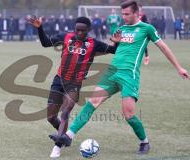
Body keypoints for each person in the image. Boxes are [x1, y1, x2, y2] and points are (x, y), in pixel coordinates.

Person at [50, 0, 189, 157]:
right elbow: (115, 49)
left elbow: (163, 47)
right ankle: (68, 136)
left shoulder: (147, 28)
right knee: (92, 103)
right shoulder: (120, 29)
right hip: (111, 72)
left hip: (129, 75)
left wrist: (179, 67)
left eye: (127, 14)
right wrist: (115, 43)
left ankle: (144, 142)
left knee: (128, 114)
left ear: (137, 13)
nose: (123, 16)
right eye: (122, 13)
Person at [29, 16, 120, 158]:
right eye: (77, 30)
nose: (79, 33)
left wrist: (116, 44)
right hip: (59, 81)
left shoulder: (94, 44)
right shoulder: (66, 37)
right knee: (51, 117)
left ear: (88, 30)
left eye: (82, 31)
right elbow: (46, 43)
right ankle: (64, 136)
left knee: (65, 112)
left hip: (74, 84)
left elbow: (114, 50)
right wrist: (40, 28)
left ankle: (57, 146)